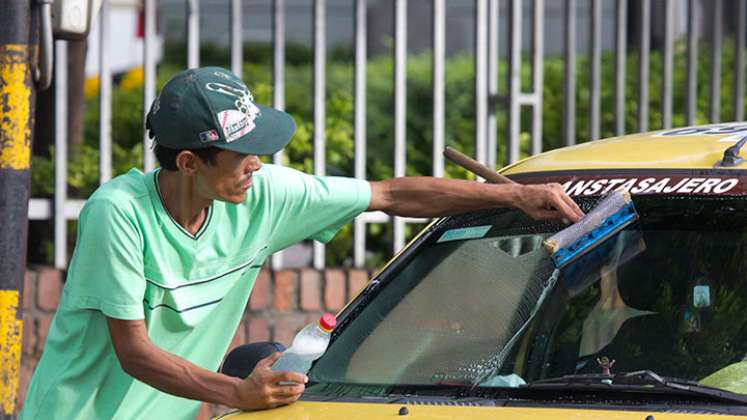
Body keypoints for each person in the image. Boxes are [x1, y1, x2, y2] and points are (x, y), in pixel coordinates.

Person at [20, 66, 584, 419]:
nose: (257, 165)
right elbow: (134, 351)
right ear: (189, 162)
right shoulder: (118, 214)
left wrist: (511, 200)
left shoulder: (262, 195)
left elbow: (389, 194)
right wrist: (237, 393)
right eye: (243, 155)